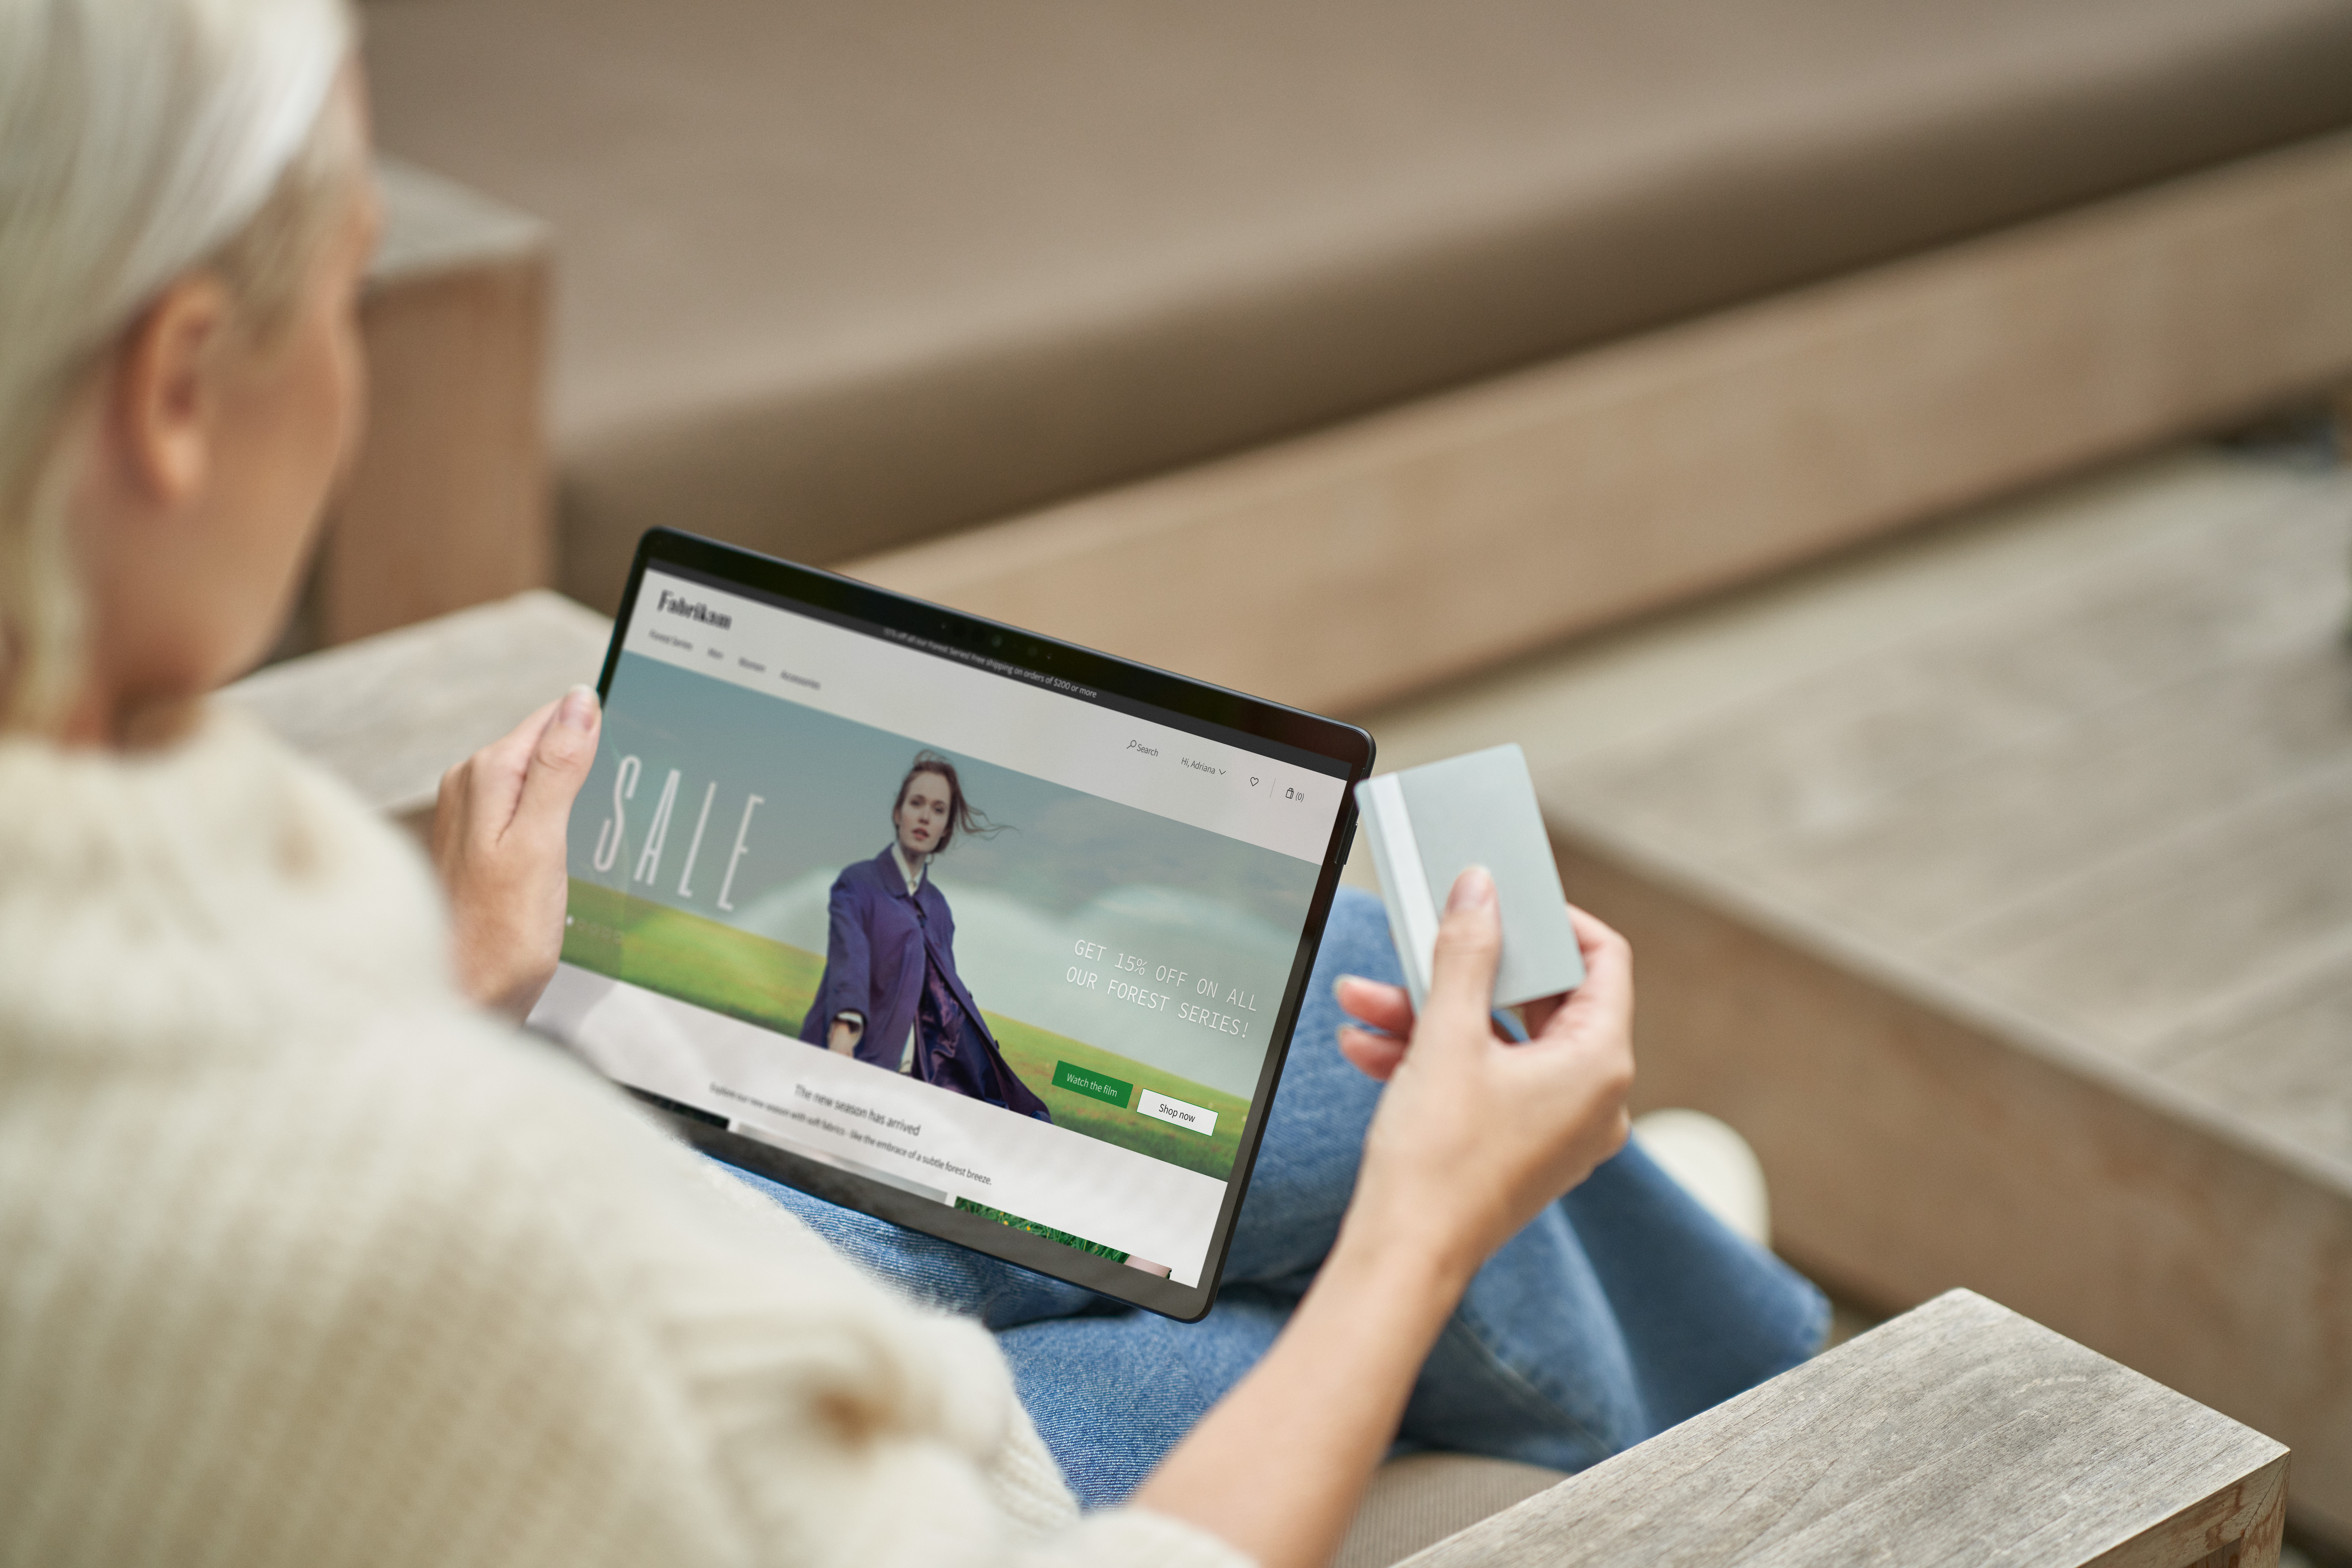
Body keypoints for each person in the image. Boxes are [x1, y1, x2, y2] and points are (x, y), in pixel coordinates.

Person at [0, 2, 1824, 1563]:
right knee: (1369, 1170)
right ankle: (1762, 1388)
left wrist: (465, 999)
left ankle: (1603, 1258)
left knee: (1292, 1018)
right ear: (174, 391)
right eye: (345, 296)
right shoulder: (475, 1251)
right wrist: (1424, 1237)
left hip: (674, 1198)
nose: (347, 381)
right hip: (713, 1401)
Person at [798, 750, 1052, 1120]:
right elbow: (849, 961)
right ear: (898, 813)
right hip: (856, 1065)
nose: (924, 816)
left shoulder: (939, 908)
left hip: (917, 1086)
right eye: (916, 804)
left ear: (946, 828)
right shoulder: (858, 883)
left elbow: (945, 995)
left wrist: (982, 1056)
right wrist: (842, 1036)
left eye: (938, 809)